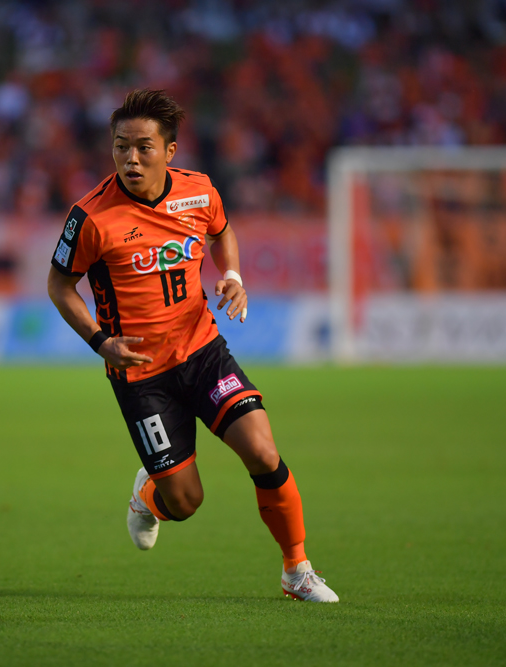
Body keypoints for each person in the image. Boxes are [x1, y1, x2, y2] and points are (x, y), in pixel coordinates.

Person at [47, 89, 338, 602]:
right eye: (120, 147)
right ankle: (148, 495)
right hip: (141, 373)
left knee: (262, 451)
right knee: (184, 502)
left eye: (143, 147)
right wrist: (100, 341)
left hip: (202, 350)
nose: (130, 159)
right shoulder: (90, 217)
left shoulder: (199, 192)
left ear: (170, 151)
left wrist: (233, 274)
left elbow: (222, 232)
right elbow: (59, 285)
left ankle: (297, 569)